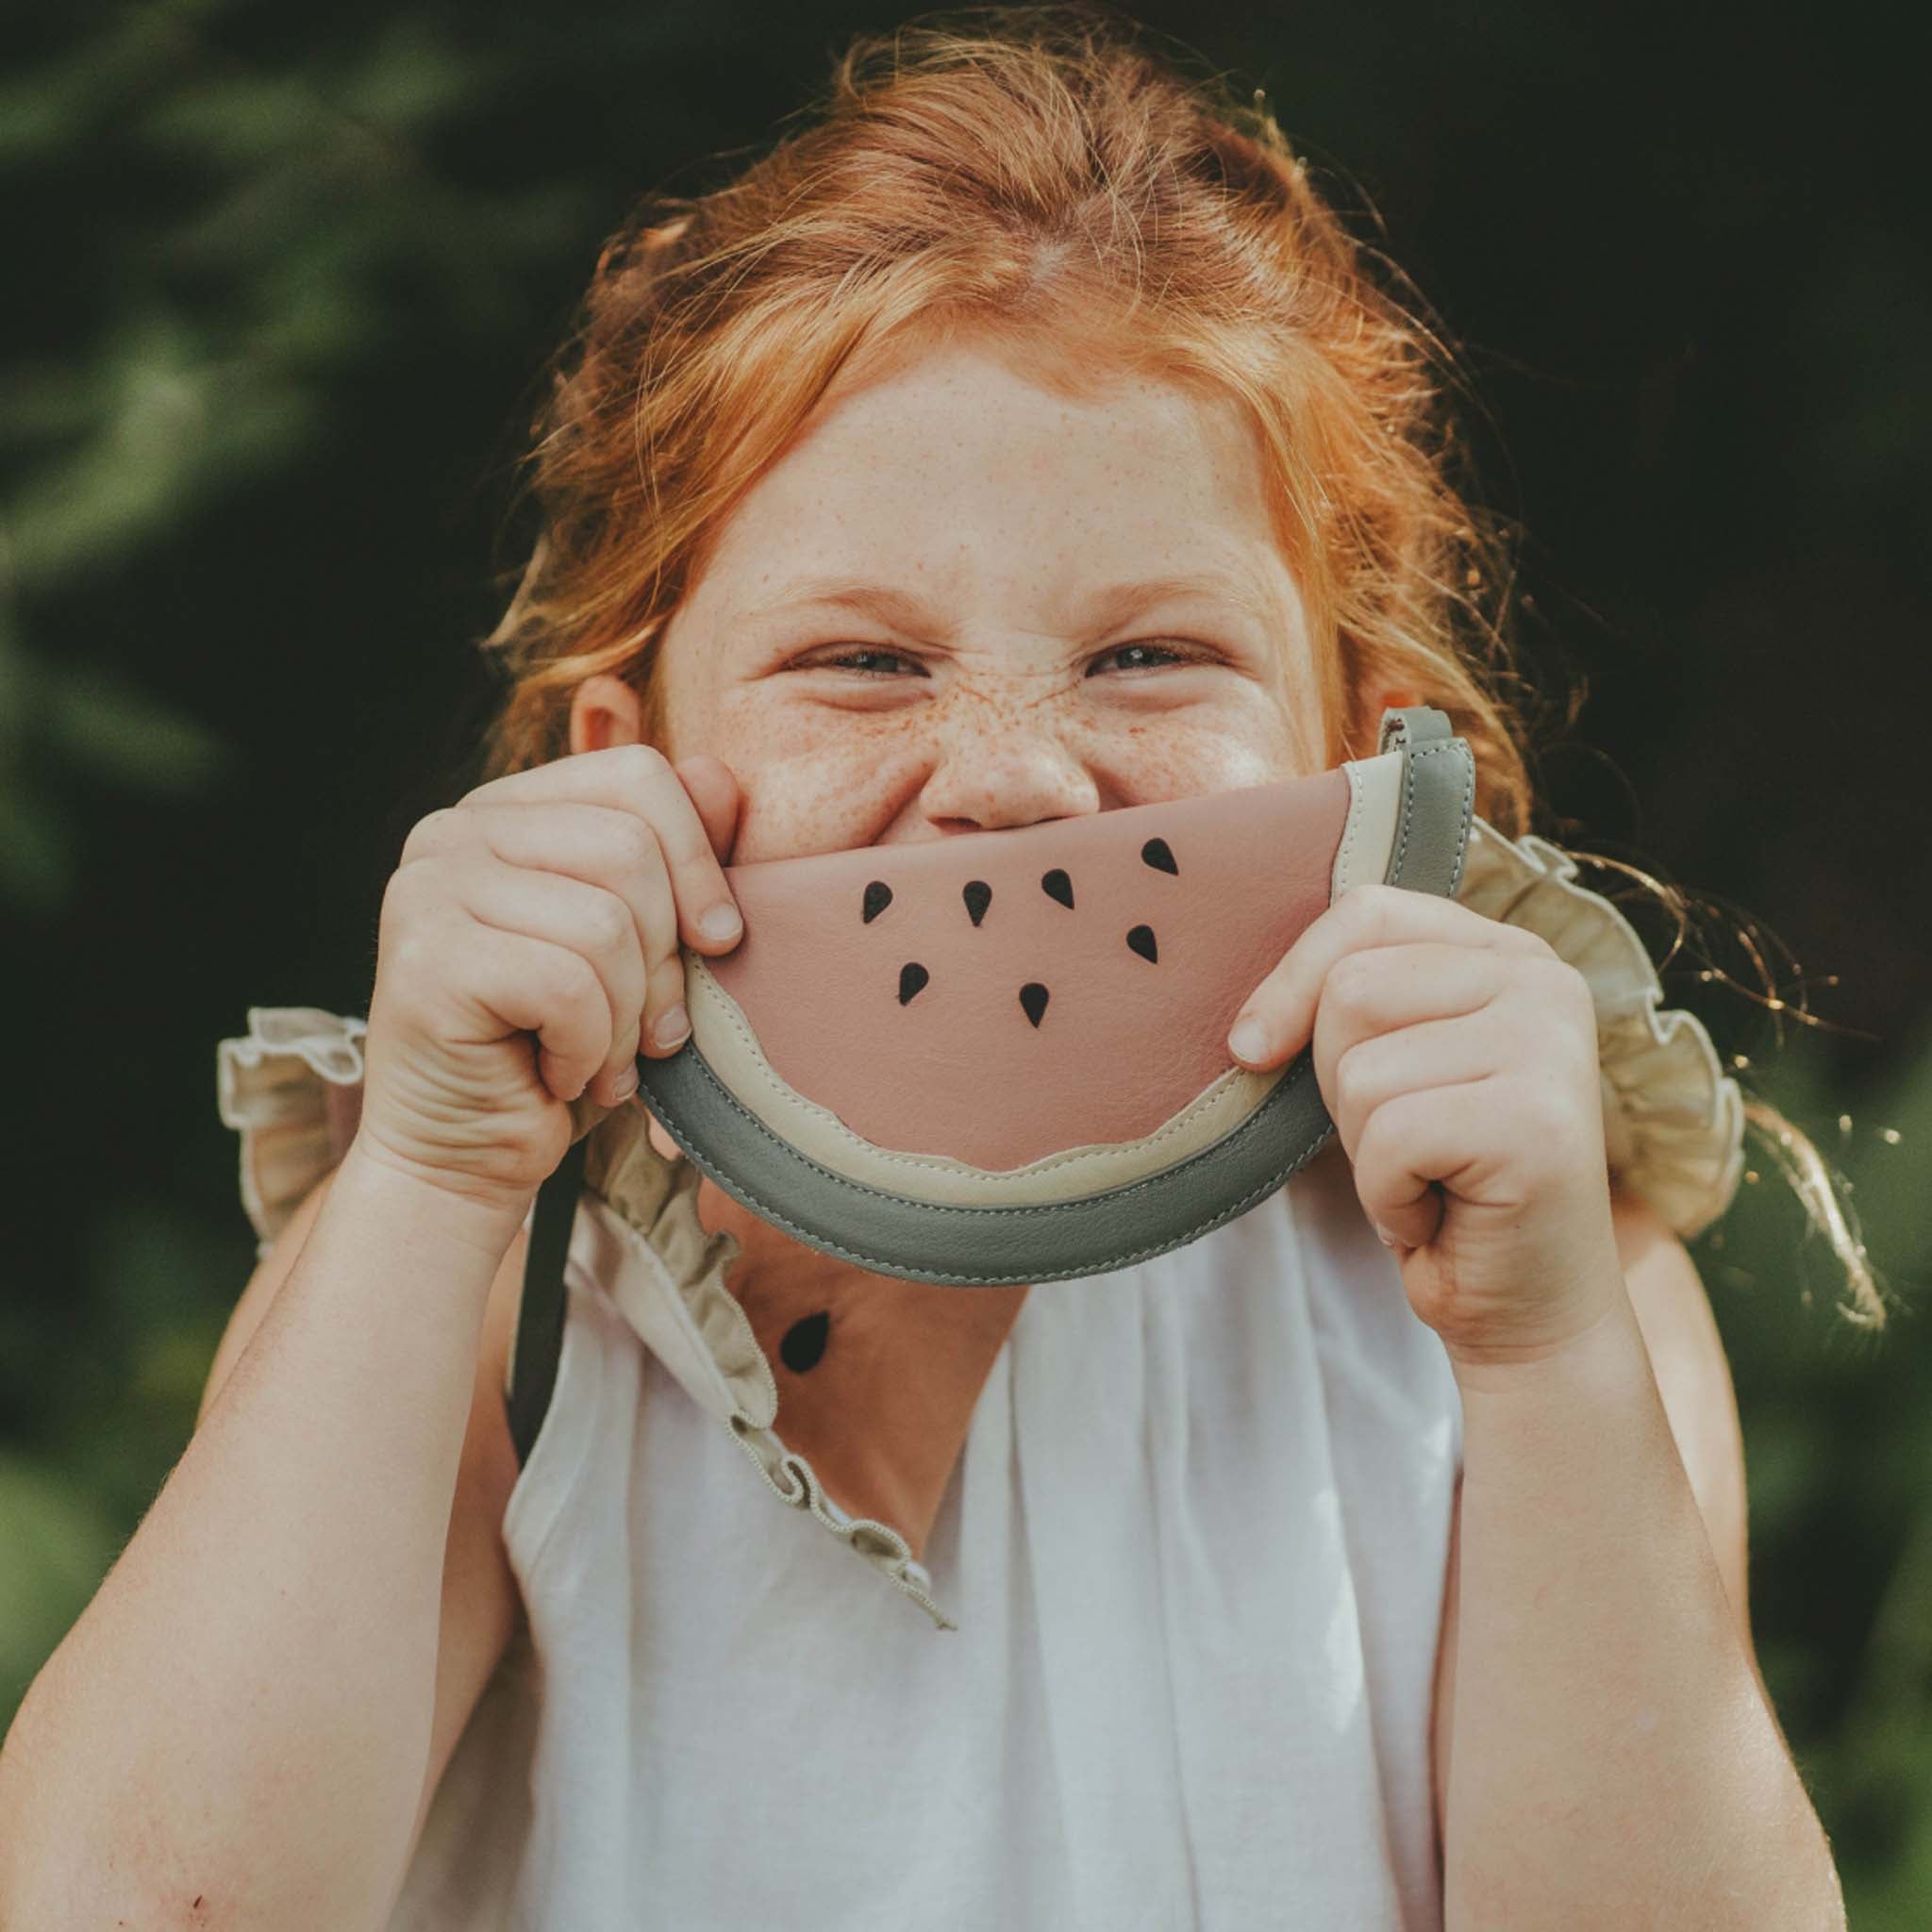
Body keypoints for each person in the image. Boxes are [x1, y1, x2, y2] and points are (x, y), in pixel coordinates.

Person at [0, 8, 1863, 1927]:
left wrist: (1545, 1351)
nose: (1008, 783)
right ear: (611, 769)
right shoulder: (504, 1282)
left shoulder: (1537, 1277)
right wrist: (425, 1181)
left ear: (1356, 754)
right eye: (861, 663)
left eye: (1146, 657)